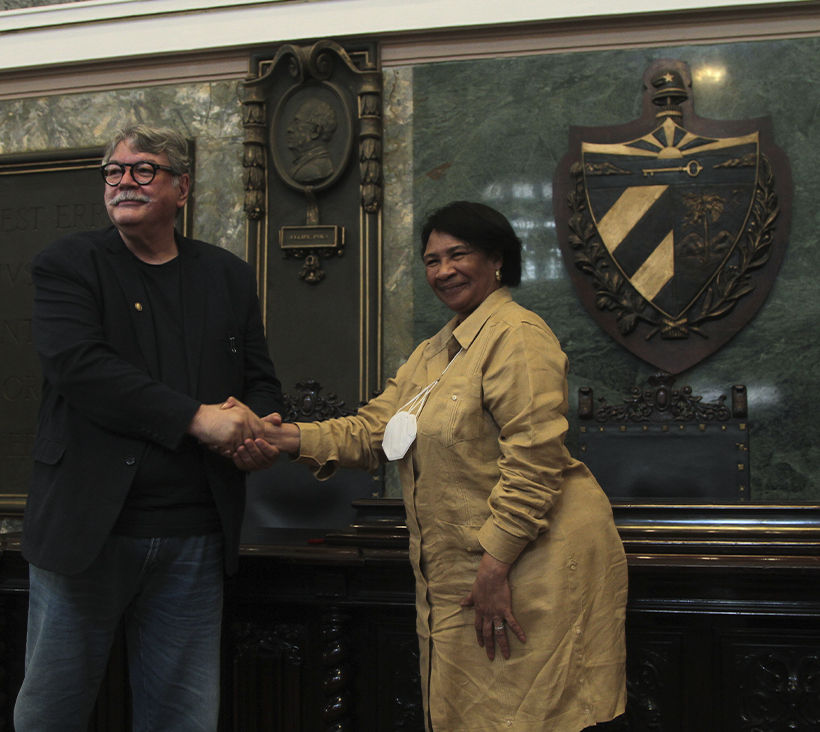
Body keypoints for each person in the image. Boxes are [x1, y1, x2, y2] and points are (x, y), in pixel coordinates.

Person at [235, 201, 628, 732]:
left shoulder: (518, 335)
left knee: (529, 716)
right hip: (468, 569)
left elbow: (536, 461)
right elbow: (373, 431)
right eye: (431, 260)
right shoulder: (435, 352)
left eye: (458, 254)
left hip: (530, 565)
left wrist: (495, 565)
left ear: (497, 260)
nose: (443, 271)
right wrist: (273, 434)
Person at [15, 124, 282, 732]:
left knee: (182, 718)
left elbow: (260, 378)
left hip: (194, 535)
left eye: (143, 169)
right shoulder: (67, 263)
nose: (124, 182)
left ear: (182, 187)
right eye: (114, 171)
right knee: (51, 713)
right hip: (89, 532)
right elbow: (80, 368)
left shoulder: (228, 275)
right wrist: (199, 419)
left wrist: (258, 430)